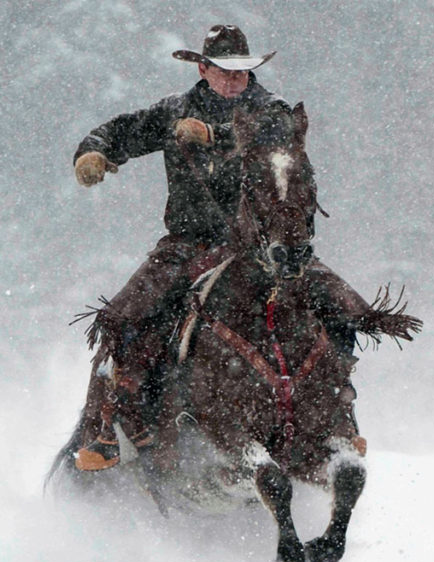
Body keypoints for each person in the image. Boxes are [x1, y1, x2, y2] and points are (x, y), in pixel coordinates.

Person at [72, 25, 369, 471]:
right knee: (121, 318)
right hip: (187, 244)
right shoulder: (173, 112)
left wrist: (213, 135)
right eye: (225, 72)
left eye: (242, 72)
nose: (235, 81)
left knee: (350, 310)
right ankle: (105, 429)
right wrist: (93, 154)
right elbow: (119, 132)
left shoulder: (273, 112)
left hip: (266, 245)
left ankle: (340, 410)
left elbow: (276, 138)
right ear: (202, 68)